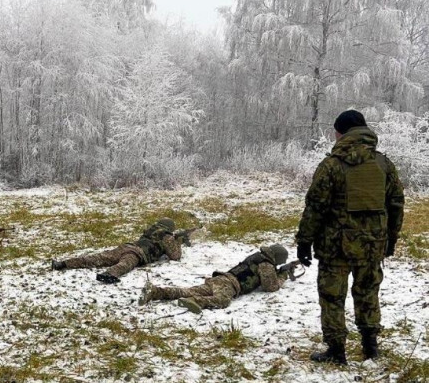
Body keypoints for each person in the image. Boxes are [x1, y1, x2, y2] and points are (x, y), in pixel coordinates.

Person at [296, 110, 404, 365]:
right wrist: (391, 238)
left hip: (336, 246)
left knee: (332, 296)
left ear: (341, 132)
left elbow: (315, 207)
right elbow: (396, 203)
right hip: (372, 244)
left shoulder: (331, 165)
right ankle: (370, 347)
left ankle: (336, 351)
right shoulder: (383, 164)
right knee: (368, 292)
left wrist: (304, 241)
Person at [138, 244, 294, 313]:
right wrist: (283, 275)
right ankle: (195, 301)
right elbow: (271, 287)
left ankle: (157, 292)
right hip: (230, 285)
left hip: (220, 278)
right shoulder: (266, 265)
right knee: (222, 301)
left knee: (187, 290)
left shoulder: (257, 257)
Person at [51, 218, 194, 284]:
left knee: (95, 258)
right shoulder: (166, 236)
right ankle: (109, 275)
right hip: (137, 253)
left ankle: (63, 264)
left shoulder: (151, 231)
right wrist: (177, 242)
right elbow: (175, 256)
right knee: (125, 265)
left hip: (126, 246)